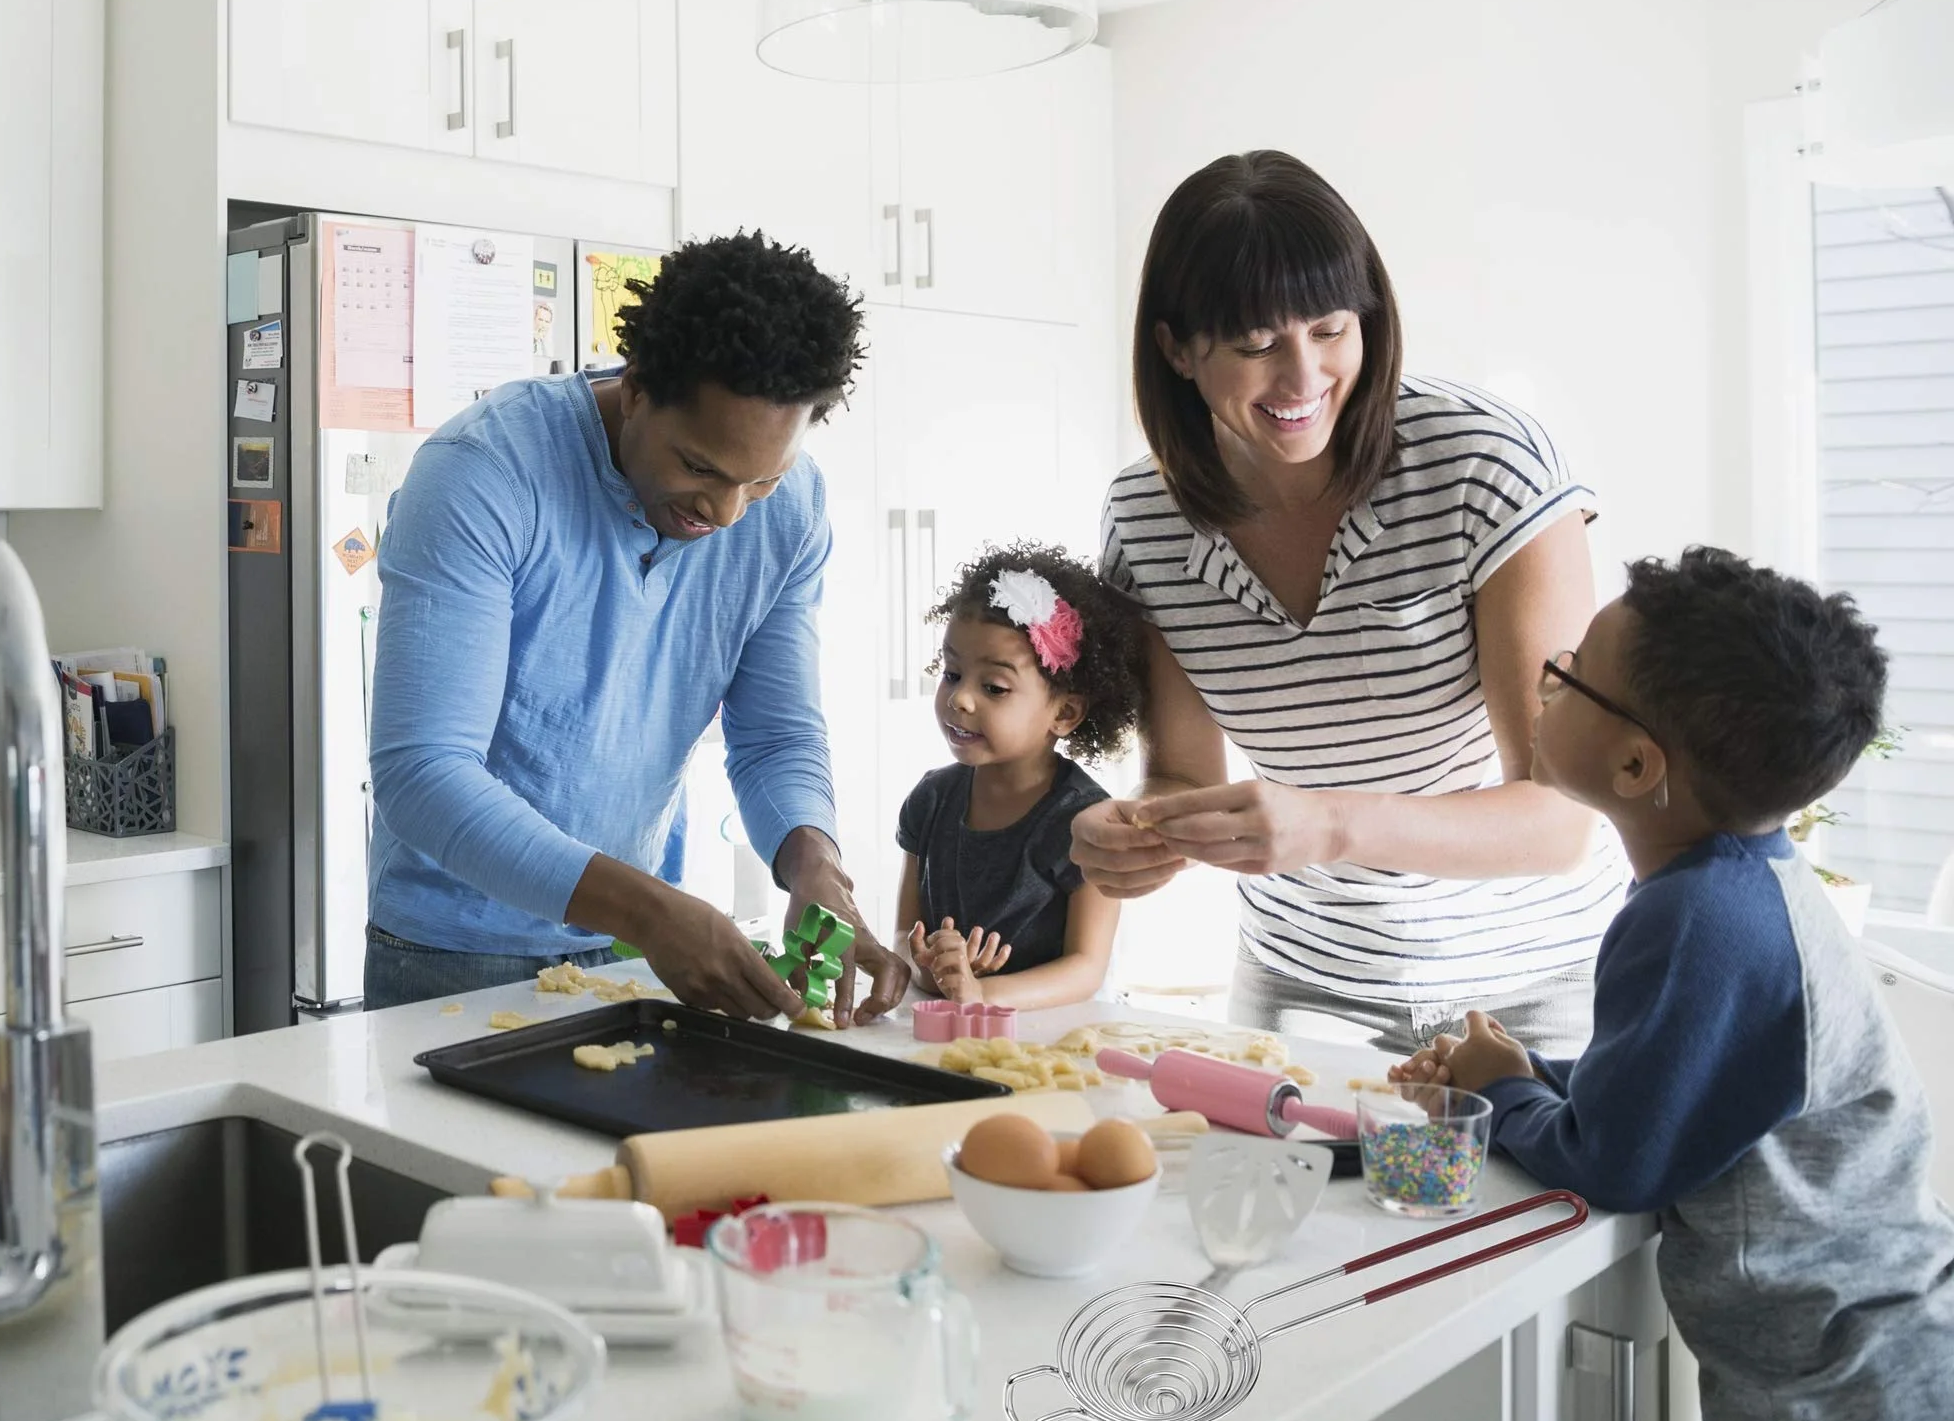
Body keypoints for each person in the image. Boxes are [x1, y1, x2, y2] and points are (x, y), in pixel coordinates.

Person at [1392, 548, 1954, 1421]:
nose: (1542, 679)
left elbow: (1618, 1158)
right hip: (1874, 1402)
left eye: (1564, 674)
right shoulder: (1748, 886)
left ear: (1636, 761)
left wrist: (1504, 1091)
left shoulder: (1694, 918)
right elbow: (1686, 1078)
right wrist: (1531, 1069)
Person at [1071, 151, 1626, 1053]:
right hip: (1303, 984)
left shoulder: (1486, 468)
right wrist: (1139, 832)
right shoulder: (1145, 520)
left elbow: (1560, 817)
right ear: (1175, 347)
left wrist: (1328, 821)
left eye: (1330, 329)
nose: (1302, 379)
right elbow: (1183, 774)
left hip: (1537, 984)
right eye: (1255, 345)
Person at [365, 230, 907, 1023]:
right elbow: (425, 773)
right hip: (454, 953)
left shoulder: (792, 511)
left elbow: (776, 739)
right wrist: (650, 912)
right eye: (699, 468)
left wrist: (815, 869)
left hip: (634, 948)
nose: (724, 513)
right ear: (640, 386)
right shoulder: (483, 471)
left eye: (761, 478)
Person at [896, 545, 1144, 1009]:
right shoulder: (929, 800)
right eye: (952, 673)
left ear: (1065, 712)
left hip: (1058, 1040)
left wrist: (981, 992)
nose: (960, 699)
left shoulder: (1091, 823)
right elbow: (904, 936)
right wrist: (935, 969)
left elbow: (1085, 969)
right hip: (954, 1031)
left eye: (994, 687)